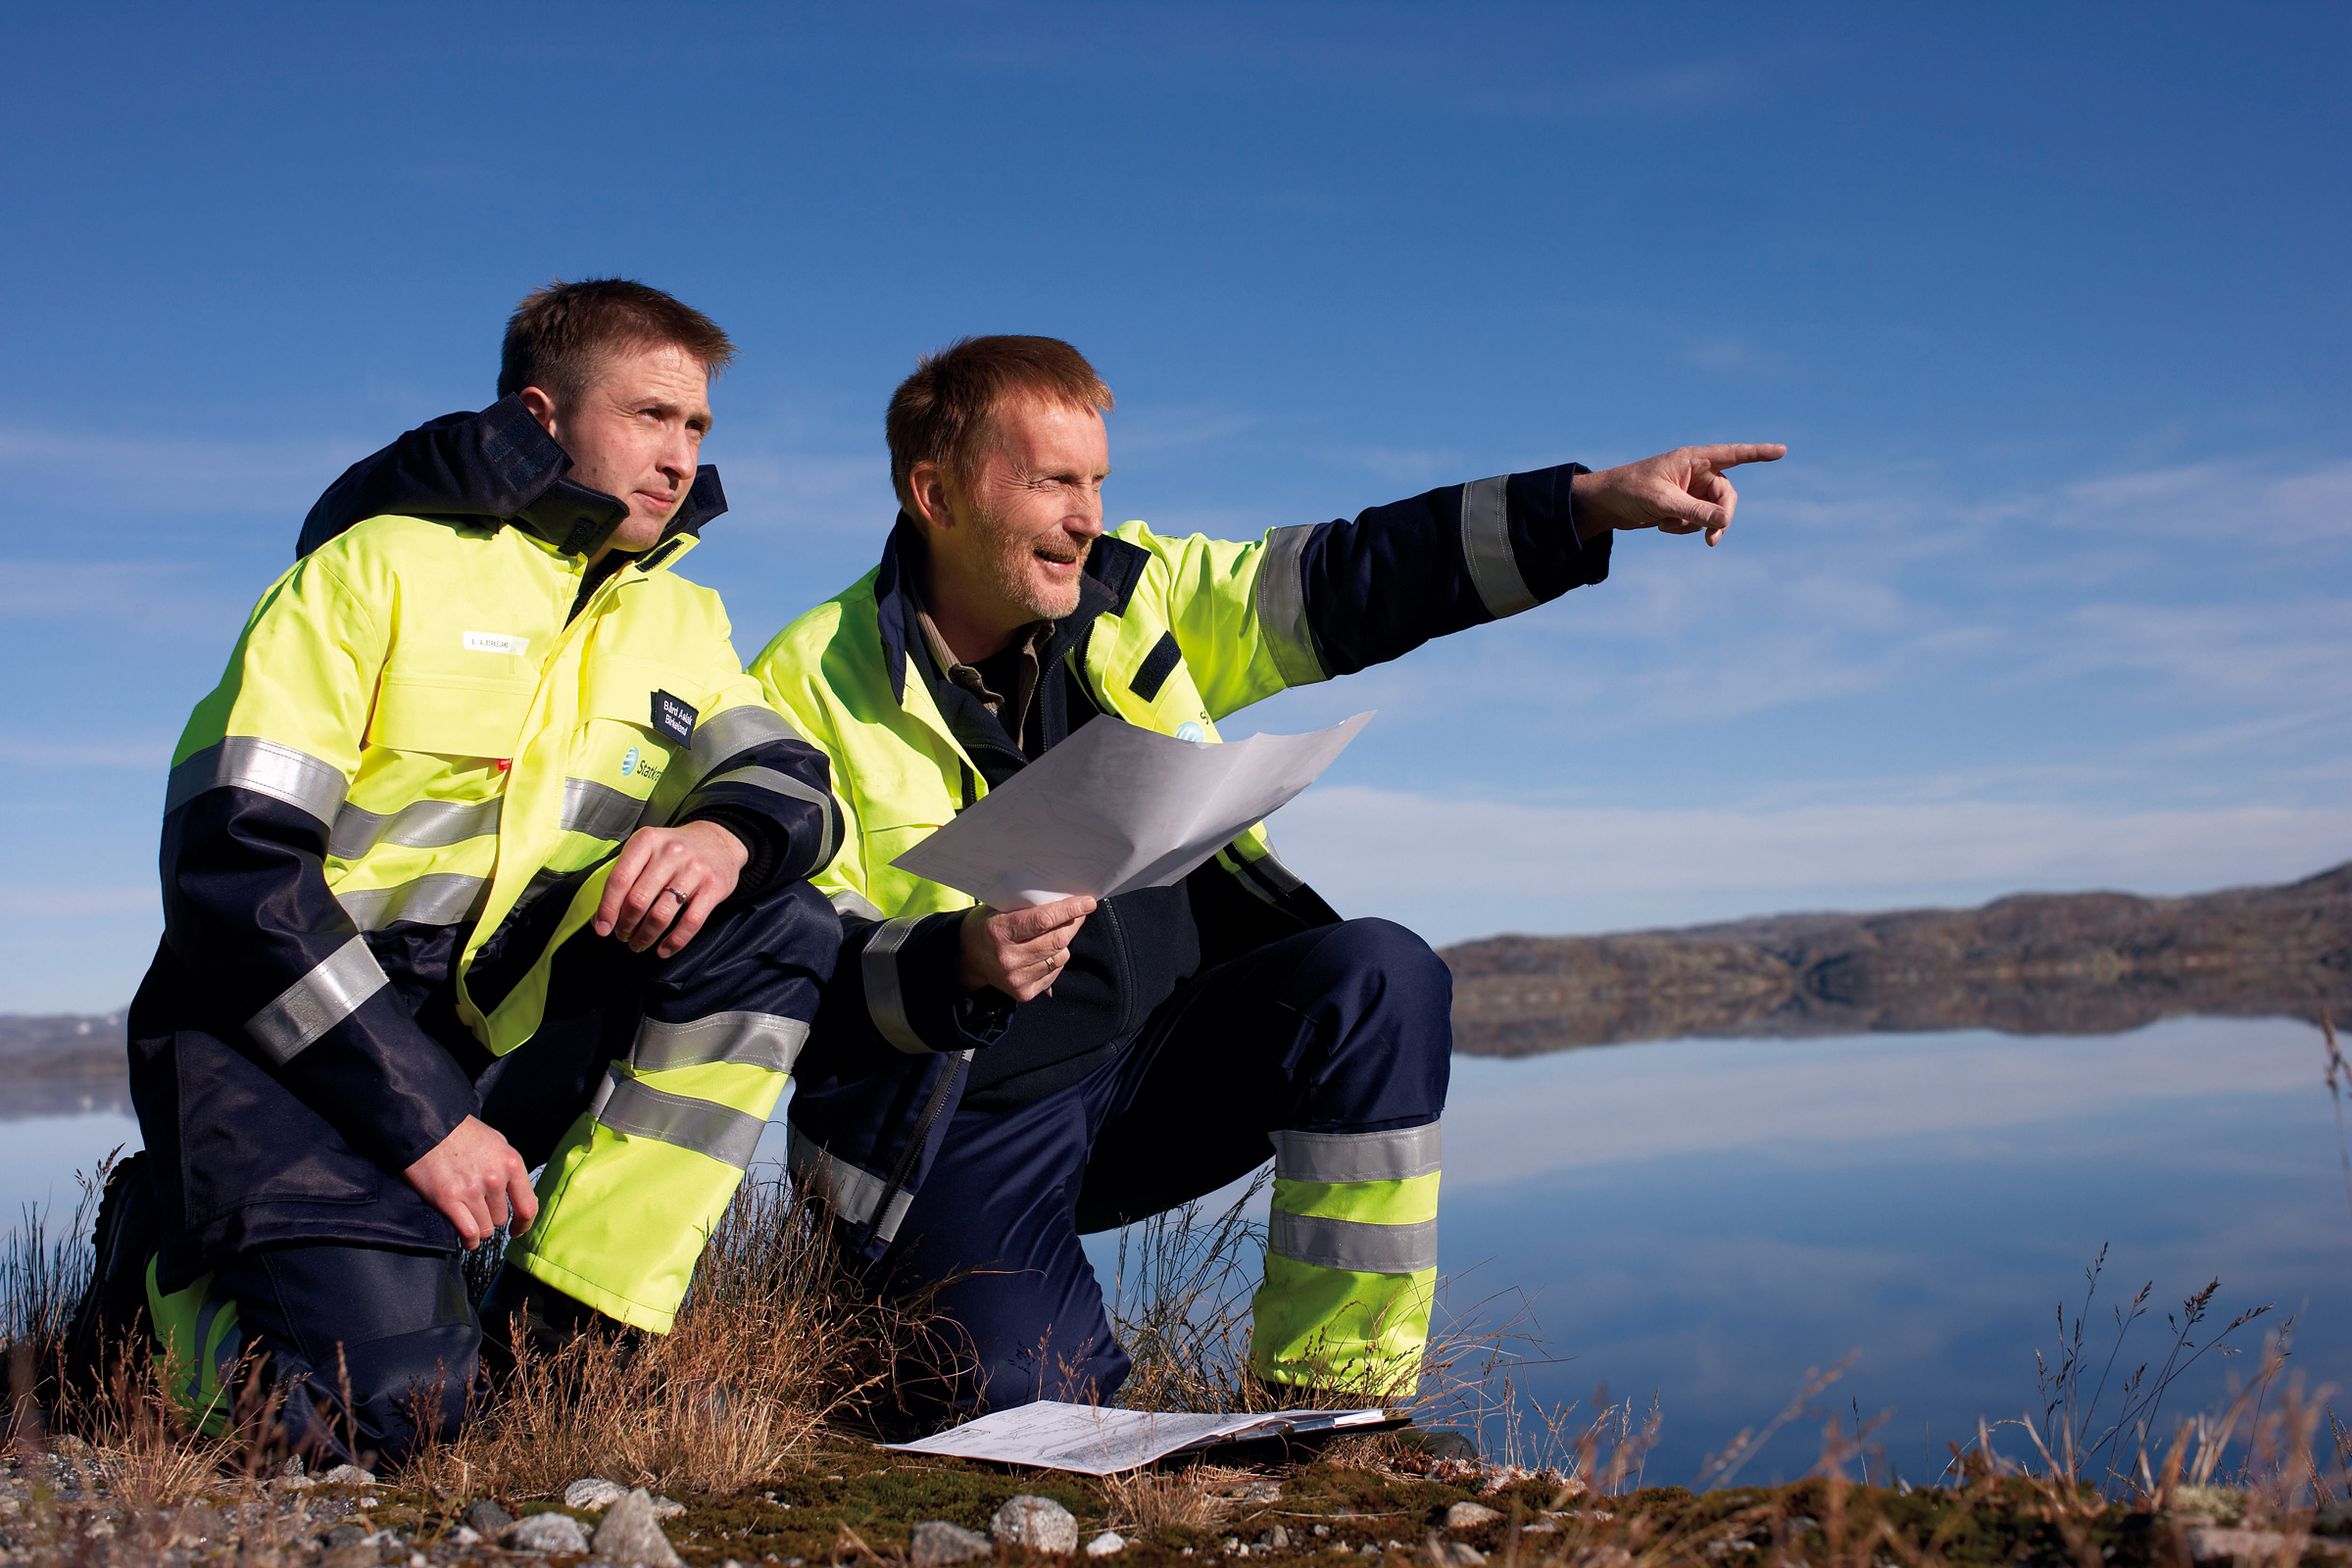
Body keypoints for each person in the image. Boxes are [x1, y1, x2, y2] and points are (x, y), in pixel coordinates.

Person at [751, 334, 1783, 1420]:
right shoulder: (805, 681)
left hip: (1154, 1070)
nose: (1088, 515)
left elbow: (1354, 578)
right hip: (954, 1122)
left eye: (1098, 481)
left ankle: (1331, 1405)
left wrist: (1579, 506)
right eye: (1055, 481)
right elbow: (791, 962)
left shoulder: (1132, 593)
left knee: (1377, 976)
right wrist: (947, 959)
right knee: (1029, 1408)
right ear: (936, 493)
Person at [91, 279, 843, 1467]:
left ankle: (573, 1338)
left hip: (489, 1040)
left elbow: (803, 781)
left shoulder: (682, 617)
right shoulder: (376, 568)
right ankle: (154, 1276)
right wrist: (425, 1116)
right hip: (285, 1046)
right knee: (380, 1418)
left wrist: (725, 836)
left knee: (777, 917)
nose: (680, 457)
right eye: (651, 415)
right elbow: (231, 866)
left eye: (696, 428)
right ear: (543, 416)